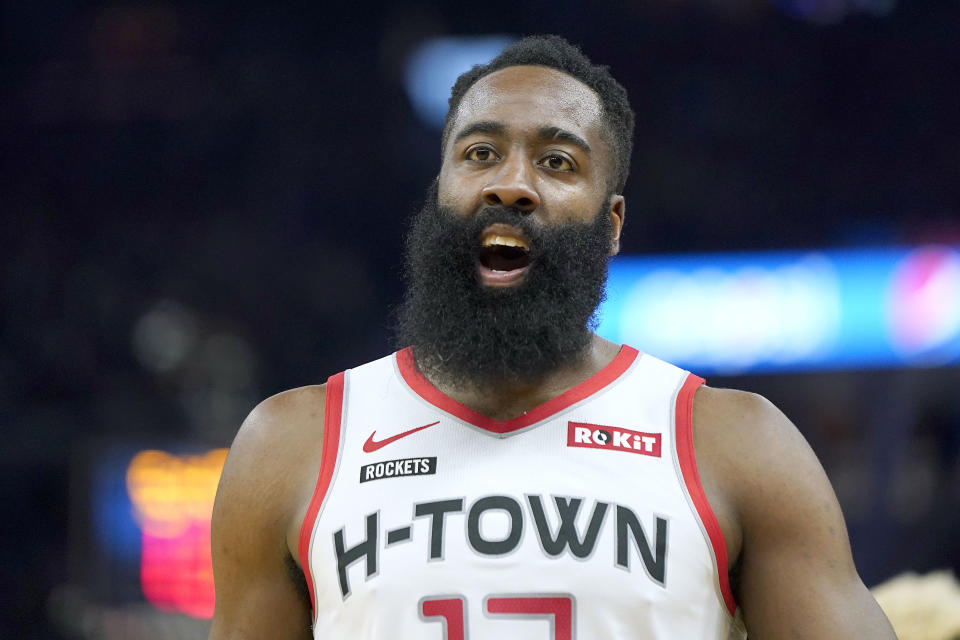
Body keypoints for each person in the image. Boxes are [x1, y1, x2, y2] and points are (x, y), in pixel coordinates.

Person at [209, 35, 896, 639]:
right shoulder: (291, 445)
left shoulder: (736, 444)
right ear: (440, 189)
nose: (511, 185)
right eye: (480, 153)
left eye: (558, 163)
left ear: (614, 222)